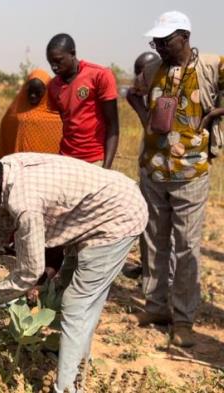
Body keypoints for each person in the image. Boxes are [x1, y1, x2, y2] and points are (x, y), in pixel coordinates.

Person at [0, 152, 147, 393]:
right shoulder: (4, 171)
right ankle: (76, 360)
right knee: (75, 298)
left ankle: (67, 387)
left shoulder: (24, 204)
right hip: (97, 208)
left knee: (77, 304)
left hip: (117, 217)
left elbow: (29, 273)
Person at [126, 11, 224, 347]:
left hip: (190, 173)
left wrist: (216, 113)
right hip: (153, 169)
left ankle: (183, 320)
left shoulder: (212, 65)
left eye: (164, 41)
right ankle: (155, 307)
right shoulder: (153, 69)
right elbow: (132, 93)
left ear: (184, 36)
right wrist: (145, 122)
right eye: (156, 41)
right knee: (153, 242)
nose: (159, 47)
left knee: (185, 249)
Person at [46, 33, 120, 168]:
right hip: (66, 159)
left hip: (95, 159)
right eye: (51, 63)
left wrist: (106, 168)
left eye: (58, 61)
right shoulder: (53, 86)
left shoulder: (99, 75)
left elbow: (113, 126)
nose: (54, 67)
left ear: (72, 53)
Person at [122, 51, 161, 280]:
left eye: (143, 71)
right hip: (148, 160)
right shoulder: (142, 95)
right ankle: (148, 268)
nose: (140, 76)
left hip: (172, 166)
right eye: (138, 71)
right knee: (147, 219)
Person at [0, 69, 63, 157]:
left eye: (37, 92)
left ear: (46, 90)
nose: (32, 95)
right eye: (30, 91)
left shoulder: (59, 116)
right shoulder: (14, 113)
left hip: (51, 167)